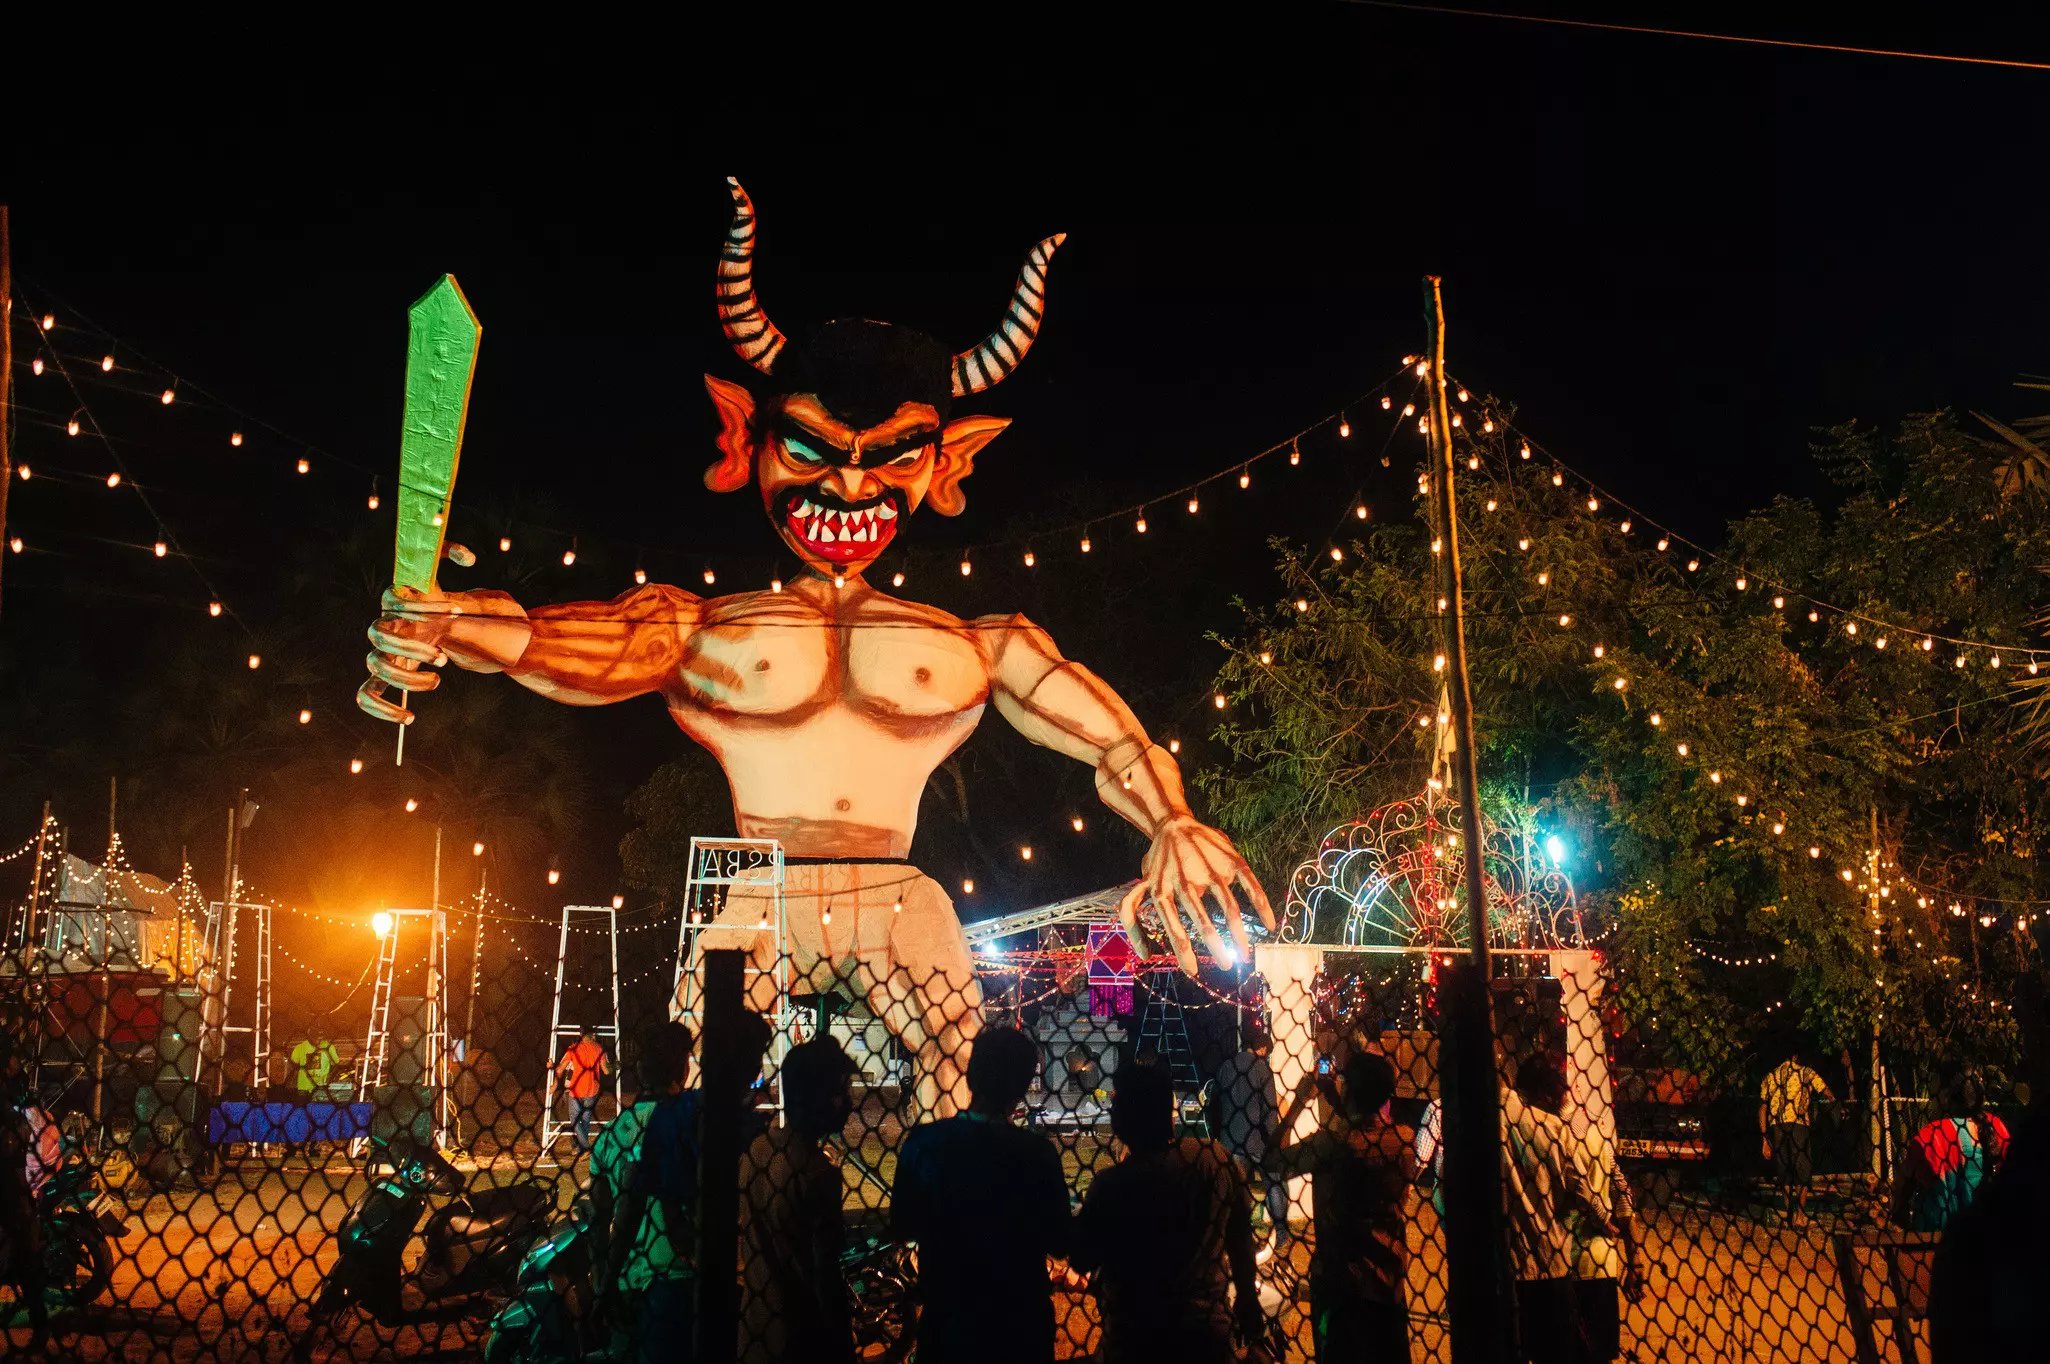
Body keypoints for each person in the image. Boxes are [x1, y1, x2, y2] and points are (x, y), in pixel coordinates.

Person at [601, 1010, 774, 1363]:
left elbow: (619, 1205)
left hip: (648, 1281)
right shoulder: (734, 1128)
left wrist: (606, 1281)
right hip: (700, 1282)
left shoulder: (629, 1130)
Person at [890, 1027, 1070, 1364]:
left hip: (950, 1324)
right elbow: (1060, 1242)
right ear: (1020, 1088)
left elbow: (902, 1226)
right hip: (1019, 1327)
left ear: (971, 1075)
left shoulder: (924, 1144)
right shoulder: (1036, 1154)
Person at [1071, 1062, 1261, 1364]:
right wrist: (1248, 1301)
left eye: (1116, 1103)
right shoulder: (1213, 1157)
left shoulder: (1113, 1185)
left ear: (1126, 1116)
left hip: (1135, 1338)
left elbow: (1081, 1256)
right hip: (1206, 1334)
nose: (1111, 1110)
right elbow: (1241, 1238)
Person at [1267, 1050, 1415, 1362]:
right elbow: (1364, 1130)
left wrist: (1296, 1105)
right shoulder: (1403, 1140)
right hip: (1389, 1284)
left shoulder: (1331, 1145)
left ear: (1349, 1088)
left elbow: (1273, 1161)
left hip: (1341, 1287)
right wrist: (1339, 1101)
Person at [739, 1038, 860, 1364]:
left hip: (754, 1332)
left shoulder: (756, 1151)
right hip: (802, 1340)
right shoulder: (817, 1173)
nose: (848, 1103)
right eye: (840, 1092)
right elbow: (825, 1275)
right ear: (820, 1099)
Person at [1503, 1052, 1620, 1364]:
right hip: (1551, 1264)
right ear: (1545, 1094)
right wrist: (1605, 1220)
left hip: (1507, 1267)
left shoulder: (1497, 1118)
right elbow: (1581, 1187)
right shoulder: (1557, 1129)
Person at [589, 1023, 689, 1356]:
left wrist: (604, 1285)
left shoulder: (611, 1136)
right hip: (676, 1281)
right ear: (682, 1071)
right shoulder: (689, 1129)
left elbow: (598, 1222)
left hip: (625, 1282)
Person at [1893, 1076, 2009, 1232]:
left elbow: (1901, 1184)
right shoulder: (1997, 1127)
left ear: (1946, 1097)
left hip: (1938, 1237)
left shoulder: (1934, 1134)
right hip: (1989, 1232)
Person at [1213, 1032, 1288, 1245]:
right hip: (1258, 1140)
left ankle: (1234, 1235)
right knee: (1273, 1184)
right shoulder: (1263, 1069)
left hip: (1230, 1139)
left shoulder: (1226, 1066)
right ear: (1263, 1048)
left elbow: (1214, 1104)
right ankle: (1280, 1236)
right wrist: (1273, 1141)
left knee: (1235, 1190)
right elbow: (1269, 1110)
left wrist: (1219, 1133)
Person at [0, 1037, 47, 1354]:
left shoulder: (15, 1099)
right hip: (12, 1194)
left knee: (27, 1267)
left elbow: (24, 1135)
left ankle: (40, 1331)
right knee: (26, 1268)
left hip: (13, 1195)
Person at [1758, 1053, 1832, 1218]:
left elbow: (1762, 1109)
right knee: (1803, 1171)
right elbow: (1825, 1090)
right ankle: (1800, 1214)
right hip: (1799, 1127)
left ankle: (1787, 1211)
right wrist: (1834, 1101)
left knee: (1784, 1171)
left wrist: (1764, 1139)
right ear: (1796, 1056)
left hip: (1778, 1127)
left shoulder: (1770, 1077)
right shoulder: (1806, 1072)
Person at [558, 1029, 614, 1152]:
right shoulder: (599, 1048)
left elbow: (561, 1069)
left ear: (581, 1035)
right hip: (592, 1090)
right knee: (585, 1119)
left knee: (575, 1120)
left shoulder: (573, 1048)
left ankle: (585, 1147)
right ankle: (580, 1148)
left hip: (576, 1090)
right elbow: (606, 1070)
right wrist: (615, 1066)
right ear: (593, 1035)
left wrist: (554, 1078)